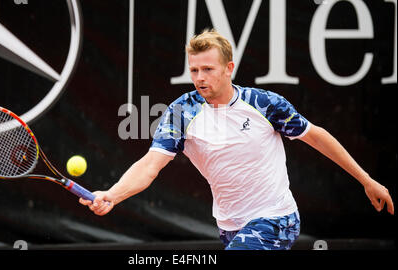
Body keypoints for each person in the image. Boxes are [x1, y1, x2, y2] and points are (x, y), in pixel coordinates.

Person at [80, 29, 394, 250]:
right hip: (229, 226)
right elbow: (151, 164)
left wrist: (366, 180)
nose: (200, 77)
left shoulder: (264, 103)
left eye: (208, 69)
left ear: (229, 68)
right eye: (194, 70)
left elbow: (317, 137)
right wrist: (114, 194)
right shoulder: (181, 111)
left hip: (276, 219)